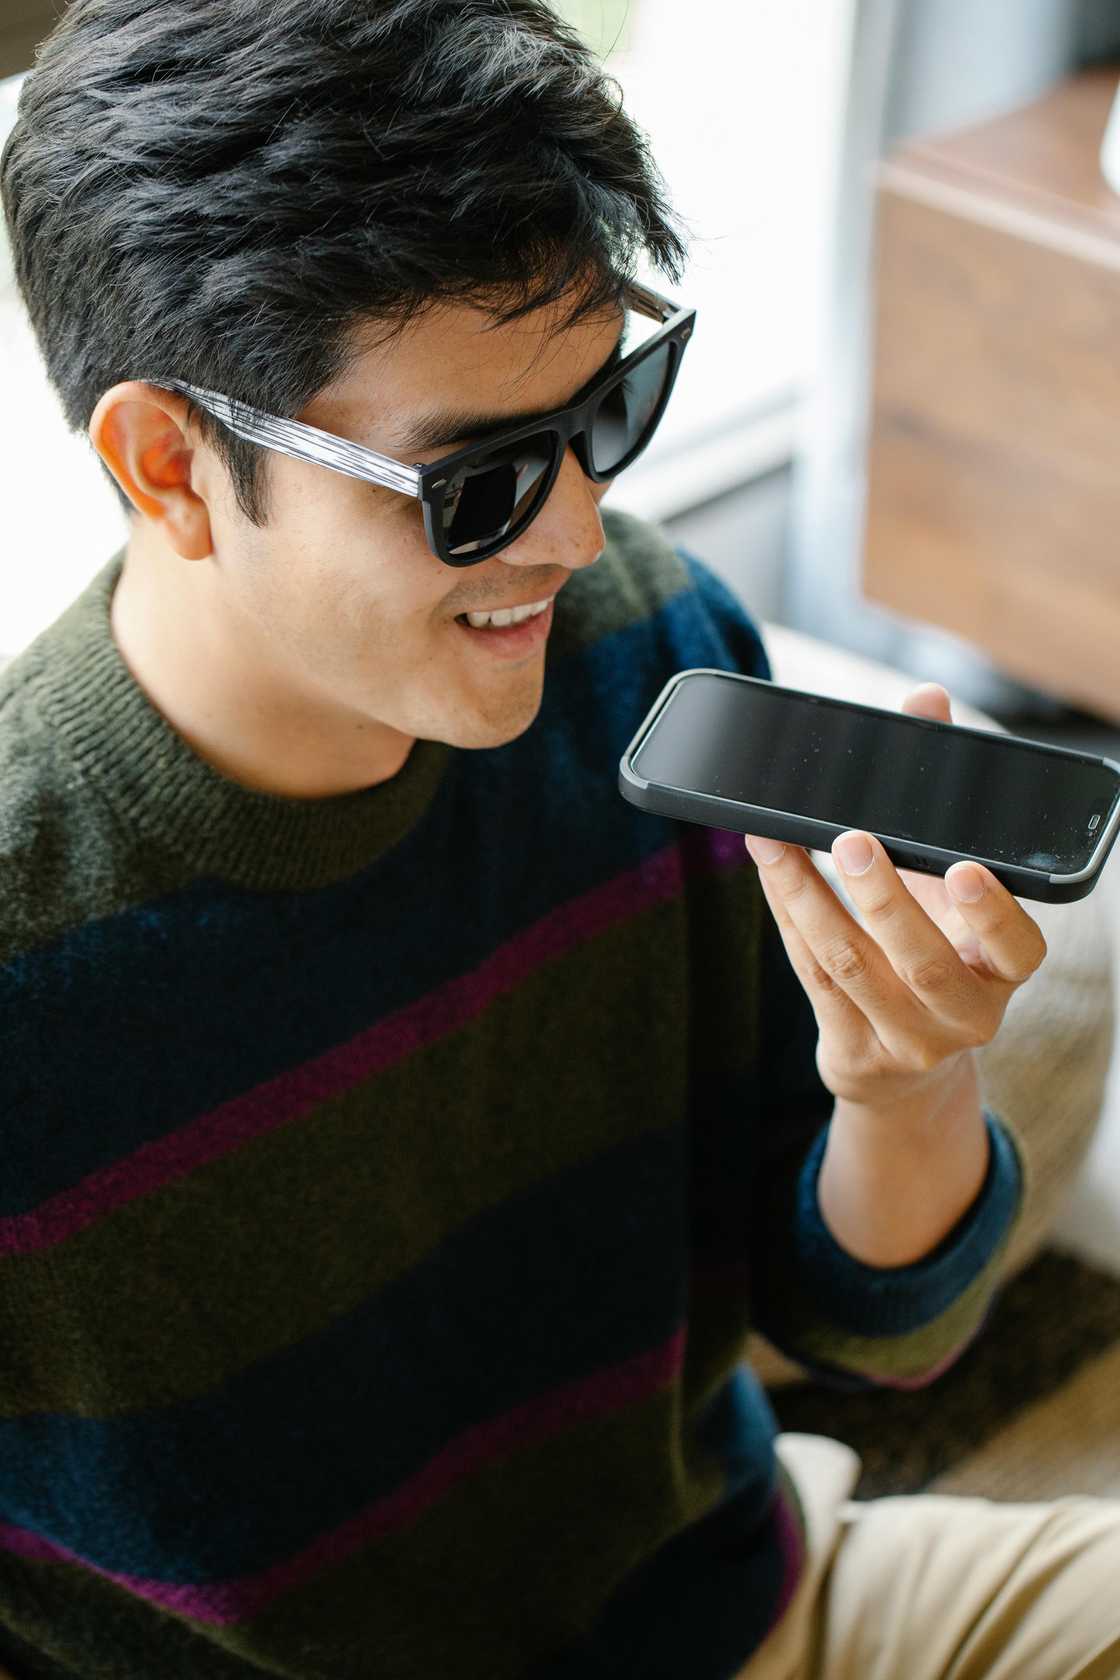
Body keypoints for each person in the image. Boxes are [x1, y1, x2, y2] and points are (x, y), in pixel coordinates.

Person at [0, 3, 1116, 1677]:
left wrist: (903, 1088)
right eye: (481, 484)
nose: (580, 533)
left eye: (606, 413)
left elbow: (878, 1334)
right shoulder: (26, 948)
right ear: (170, 467)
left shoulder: (646, 647)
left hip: (751, 1611)